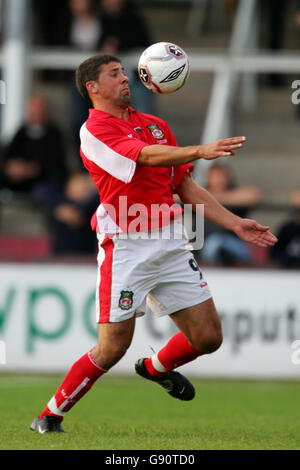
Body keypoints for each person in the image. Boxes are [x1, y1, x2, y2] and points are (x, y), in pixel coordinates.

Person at [30, 54, 277, 433]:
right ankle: (50, 415)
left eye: (124, 73)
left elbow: (184, 186)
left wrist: (235, 222)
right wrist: (200, 149)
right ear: (92, 88)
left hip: (170, 241)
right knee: (112, 347)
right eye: (115, 75)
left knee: (208, 337)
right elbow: (144, 158)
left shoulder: (156, 126)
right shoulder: (93, 131)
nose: (125, 79)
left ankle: (154, 368)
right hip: (125, 246)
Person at [0, 95, 67, 208]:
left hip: (41, 179)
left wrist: (32, 169)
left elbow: (56, 161)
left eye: (40, 109)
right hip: (18, 177)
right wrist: (11, 167)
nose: (37, 112)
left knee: (46, 189)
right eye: (34, 109)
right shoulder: (22, 130)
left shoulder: (54, 132)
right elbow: (8, 153)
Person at [199, 162, 262, 266]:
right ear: (208, 178)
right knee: (214, 243)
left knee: (219, 243)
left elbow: (253, 195)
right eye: (215, 176)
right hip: (206, 245)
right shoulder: (196, 197)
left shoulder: (235, 196)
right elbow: (176, 196)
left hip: (235, 243)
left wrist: (212, 198)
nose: (219, 179)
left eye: (222, 175)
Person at [49, 172, 99, 255]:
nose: (84, 187)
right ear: (68, 187)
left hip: (88, 259)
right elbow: (40, 191)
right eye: (80, 183)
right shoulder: (58, 202)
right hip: (58, 259)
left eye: (86, 184)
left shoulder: (93, 206)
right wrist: (58, 208)